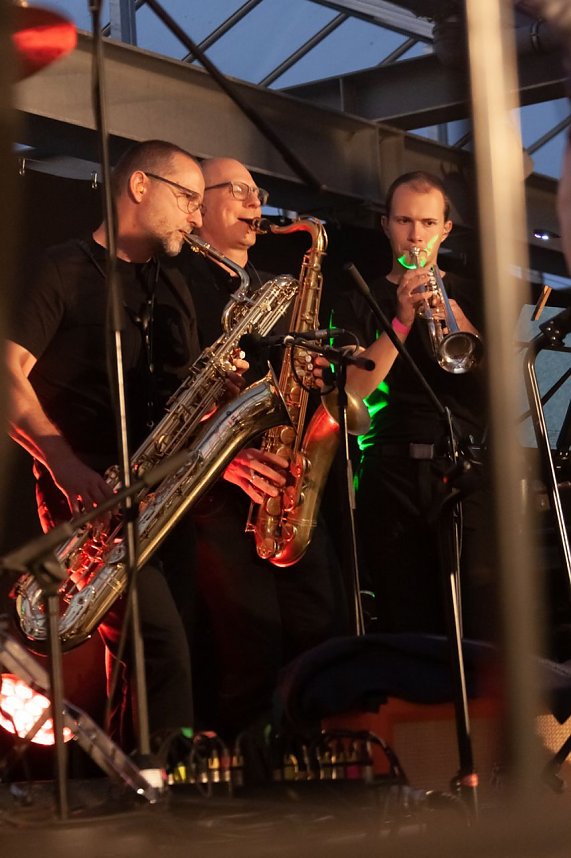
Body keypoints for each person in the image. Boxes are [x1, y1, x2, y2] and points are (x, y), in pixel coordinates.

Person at [5, 139, 213, 750]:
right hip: (89, 499)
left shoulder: (172, 286)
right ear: (140, 186)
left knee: (161, 657)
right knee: (158, 647)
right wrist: (65, 464)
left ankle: (149, 790)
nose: (198, 218)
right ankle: (155, 806)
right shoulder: (61, 268)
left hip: (164, 497)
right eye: (189, 199)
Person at [169, 157, 348, 740]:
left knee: (321, 636)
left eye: (258, 190)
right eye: (239, 190)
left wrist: (312, 374)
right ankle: (245, 791)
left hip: (287, 481)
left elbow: (289, 384)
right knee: (249, 653)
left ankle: (315, 767)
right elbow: (172, 395)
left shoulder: (277, 289)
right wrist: (228, 453)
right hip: (221, 492)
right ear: (197, 210)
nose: (255, 202)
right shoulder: (176, 285)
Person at [322, 170, 492, 640]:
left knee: (478, 622)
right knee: (407, 623)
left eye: (427, 222)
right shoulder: (357, 295)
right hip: (390, 474)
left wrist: (454, 317)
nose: (415, 235)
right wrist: (399, 321)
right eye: (403, 221)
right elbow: (351, 389)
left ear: (445, 229)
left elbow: (498, 386)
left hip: (464, 470)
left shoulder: (472, 295)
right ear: (385, 225)